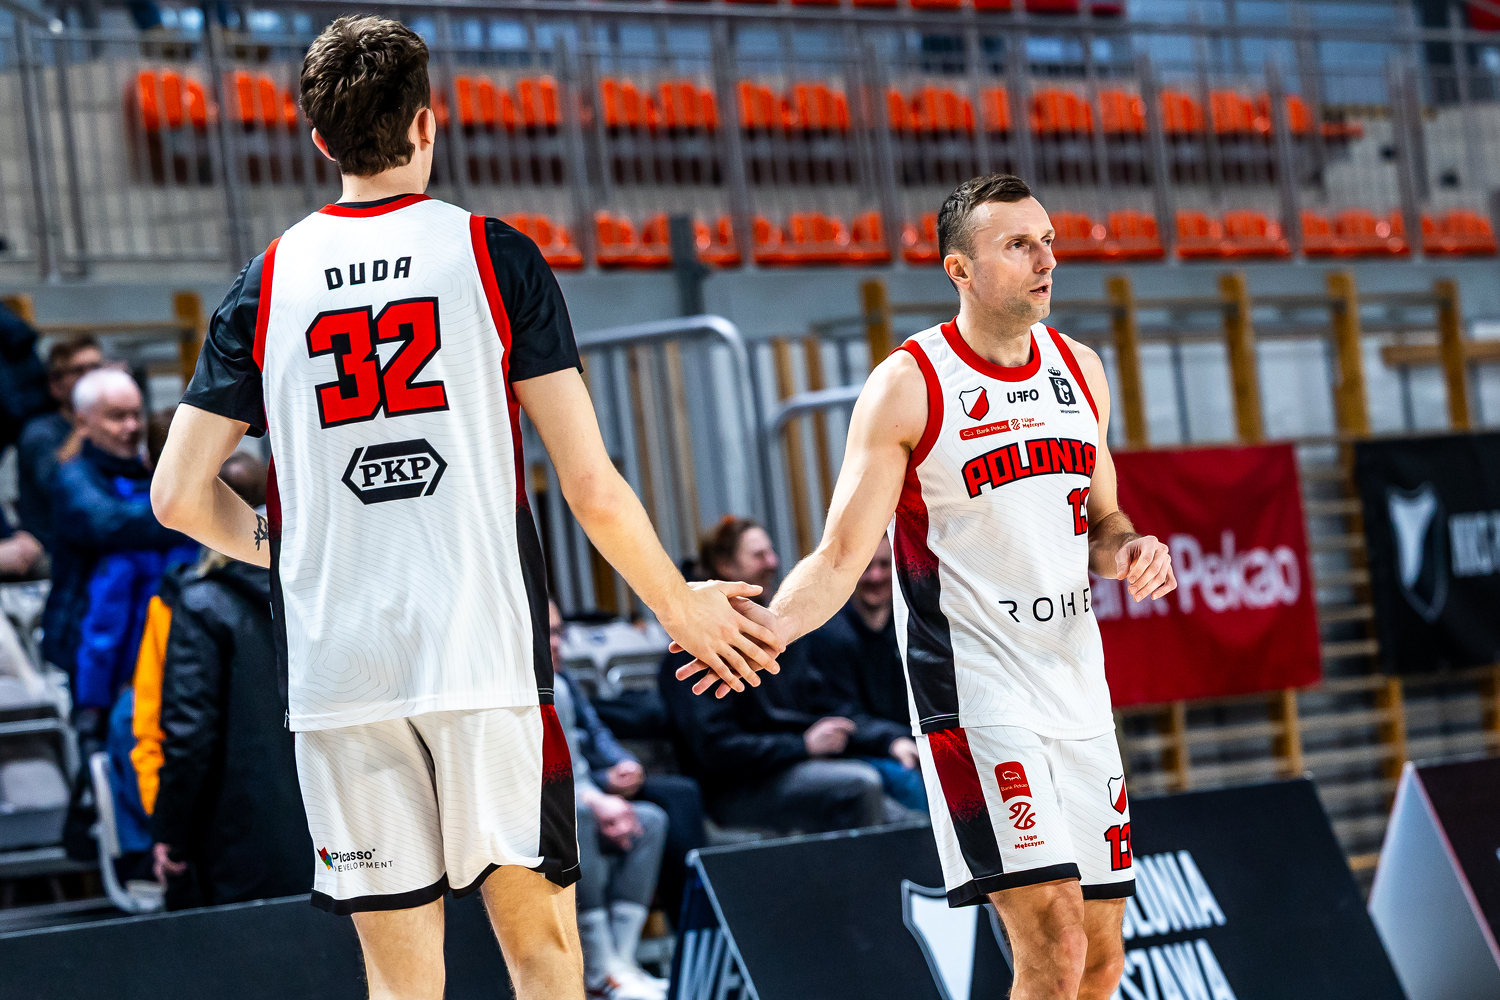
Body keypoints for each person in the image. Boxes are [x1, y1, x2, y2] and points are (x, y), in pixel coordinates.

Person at [150, 17, 780, 1000]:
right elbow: (590, 483)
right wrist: (677, 604)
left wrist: (286, 545)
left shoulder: (265, 281)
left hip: (340, 675)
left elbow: (177, 496)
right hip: (482, 660)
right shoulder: (492, 254)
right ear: (428, 122)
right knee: (545, 961)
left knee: (402, 985)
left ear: (319, 141)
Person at [678, 174, 1178, 1000]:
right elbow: (841, 554)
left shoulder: (1081, 370)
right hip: (976, 694)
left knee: (1100, 958)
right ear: (960, 269)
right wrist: (766, 628)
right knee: (1052, 943)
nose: (1046, 259)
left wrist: (1131, 550)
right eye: (1019, 245)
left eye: (1048, 241)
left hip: (1077, 686)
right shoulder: (910, 383)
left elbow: (1103, 519)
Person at [661, 517, 918, 835]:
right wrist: (803, 745)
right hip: (738, 788)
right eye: (759, 555)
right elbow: (715, 749)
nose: (773, 562)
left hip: (796, 767)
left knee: (910, 823)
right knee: (860, 785)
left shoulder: (778, 635)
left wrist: (891, 739)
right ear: (725, 566)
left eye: (771, 553)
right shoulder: (694, 649)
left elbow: (832, 706)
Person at [148, 453, 311, 909]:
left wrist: (171, 835)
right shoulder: (322, 588)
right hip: (342, 822)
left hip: (242, 838)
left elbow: (190, 734)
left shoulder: (202, 604)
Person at [42, 370, 188, 726]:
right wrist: (195, 512)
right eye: (117, 417)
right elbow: (110, 524)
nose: (132, 426)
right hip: (87, 646)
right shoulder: (72, 478)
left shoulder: (147, 473)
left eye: (136, 414)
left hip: (149, 643)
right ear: (82, 422)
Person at [552, 602, 670, 1000]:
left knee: (650, 819)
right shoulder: (516, 692)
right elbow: (543, 776)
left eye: (559, 632)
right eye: (545, 633)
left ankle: (621, 962)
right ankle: (599, 965)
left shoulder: (563, 681)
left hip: (582, 794)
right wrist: (596, 798)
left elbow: (592, 739)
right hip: (542, 809)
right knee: (580, 817)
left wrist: (619, 768)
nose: (556, 643)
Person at [803, 535, 927, 812]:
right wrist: (892, 740)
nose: (876, 576)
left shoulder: (913, 626)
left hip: (909, 741)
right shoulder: (828, 634)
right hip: (858, 750)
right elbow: (839, 713)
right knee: (909, 783)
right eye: (866, 567)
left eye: (884, 565)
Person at [17, 334, 103, 552]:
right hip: (54, 550)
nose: (91, 378)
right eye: (79, 371)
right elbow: (53, 484)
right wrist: (86, 423)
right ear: (55, 386)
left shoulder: (113, 427)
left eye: (96, 368)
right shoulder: (39, 432)